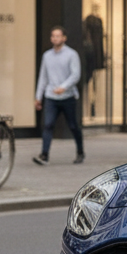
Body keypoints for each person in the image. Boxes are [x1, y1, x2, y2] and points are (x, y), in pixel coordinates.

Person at [33, 26, 85, 165]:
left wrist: (64, 87)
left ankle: (80, 152)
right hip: (51, 96)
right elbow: (43, 77)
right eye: (53, 36)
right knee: (48, 124)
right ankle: (44, 155)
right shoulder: (47, 56)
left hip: (68, 97)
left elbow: (76, 75)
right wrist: (38, 97)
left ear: (64, 38)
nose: (55, 38)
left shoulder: (71, 54)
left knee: (73, 126)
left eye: (58, 36)